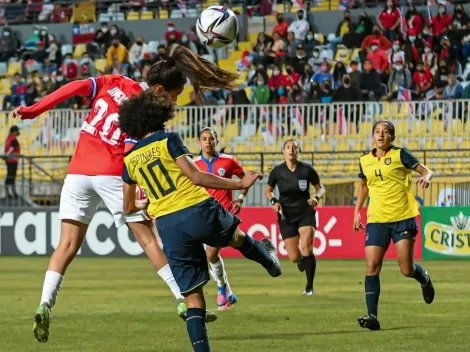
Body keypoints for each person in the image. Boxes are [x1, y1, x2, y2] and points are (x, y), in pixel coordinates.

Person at [12, 45, 239, 343]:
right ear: (159, 88)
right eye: (173, 95)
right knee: (147, 238)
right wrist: (142, 193)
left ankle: (44, 305)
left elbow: (74, 88)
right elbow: (137, 154)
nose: (173, 100)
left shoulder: (112, 81)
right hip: (110, 173)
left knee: (65, 245)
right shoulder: (146, 111)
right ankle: (182, 299)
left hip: (78, 171)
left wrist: (33, 110)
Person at [119, 90, 281, 352]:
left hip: (168, 226)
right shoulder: (168, 139)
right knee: (237, 238)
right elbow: (196, 177)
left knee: (193, 296)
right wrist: (239, 183)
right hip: (195, 209)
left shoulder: (128, 159)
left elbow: (128, 207)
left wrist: (148, 201)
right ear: (156, 115)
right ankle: (270, 262)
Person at [353, 120, 435, 331]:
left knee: (406, 269)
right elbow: (364, 186)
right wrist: (357, 211)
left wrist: (426, 177)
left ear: (392, 137)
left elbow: (426, 171)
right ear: (372, 136)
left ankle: (424, 279)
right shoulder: (364, 160)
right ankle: (372, 317)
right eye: (377, 132)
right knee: (372, 266)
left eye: (386, 132)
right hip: (377, 219)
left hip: (402, 217)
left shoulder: (400, 155)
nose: (381, 135)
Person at [193, 127, 249, 311]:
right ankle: (227, 291)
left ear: (216, 141)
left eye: (211, 138)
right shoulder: (193, 164)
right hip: (202, 216)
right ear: (199, 142)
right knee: (209, 255)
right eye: (204, 139)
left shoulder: (229, 161)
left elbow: (245, 179)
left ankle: (221, 289)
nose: (208, 142)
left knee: (211, 253)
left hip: (224, 215)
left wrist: (240, 199)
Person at [264, 139, 325, 295]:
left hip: (305, 211)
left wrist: (317, 198)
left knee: (307, 247)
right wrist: (274, 201)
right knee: (294, 257)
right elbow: (268, 190)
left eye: (295, 147)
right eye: (288, 147)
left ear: (299, 151)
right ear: (283, 151)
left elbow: (321, 188)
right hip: (286, 215)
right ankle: (302, 261)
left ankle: (309, 287)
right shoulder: (277, 171)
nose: (291, 150)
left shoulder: (307, 170)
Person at [4, 125, 20, 199]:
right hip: (13, 160)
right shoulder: (13, 139)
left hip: (9, 160)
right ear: (14, 132)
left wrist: (6, 156)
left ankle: (10, 193)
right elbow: (12, 148)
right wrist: (7, 155)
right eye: (17, 132)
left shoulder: (8, 138)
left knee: (9, 176)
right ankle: (12, 193)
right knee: (11, 177)